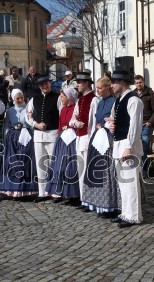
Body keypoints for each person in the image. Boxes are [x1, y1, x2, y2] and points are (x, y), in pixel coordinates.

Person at [107, 70, 144, 228]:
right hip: (118, 144)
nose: (111, 85)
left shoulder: (134, 100)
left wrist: (128, 147)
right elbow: (112, 120)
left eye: (113, 82)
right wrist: (111, 125)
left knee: (131, 182)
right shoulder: (118, 101)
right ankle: (125, 213)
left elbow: (135, 126)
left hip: (129, 147)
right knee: (123, 183)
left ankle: (134, 216)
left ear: (122, 83)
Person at [81, 76, 120, 217]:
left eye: (100, 88)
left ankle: (110, 204)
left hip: (107, 140)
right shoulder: (99, 102)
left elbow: (113, 120)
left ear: (108, 87)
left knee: (106, 171)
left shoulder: (114, 102)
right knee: (95, 171)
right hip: (97, 138)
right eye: (96, 88)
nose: (97, 90)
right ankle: (97, 202)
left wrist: (105, 125)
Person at [0, 89, 38, 199]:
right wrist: (9, 134)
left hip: (26, 138)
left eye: (21, 98)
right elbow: (7, 126)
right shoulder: (10, 111)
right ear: (13, 99)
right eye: (17, 98)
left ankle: (27, 190)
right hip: (13, 139)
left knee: (25, 162)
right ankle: (14, 190)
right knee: (14, 163)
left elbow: (31, 123)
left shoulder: (28, 109)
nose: (20, 100)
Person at [25, 75, 60, 203]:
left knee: (54, 163)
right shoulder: (34, 99)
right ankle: (42, 192)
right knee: (41, 164)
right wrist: (36, 124)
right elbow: (28, 116)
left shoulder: (57, 98)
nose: (44, 86)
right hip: (39, 135)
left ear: (50, 84)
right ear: (39, 86)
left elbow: (62, 115)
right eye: (42, 85)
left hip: (52, 133)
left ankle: (56, 192)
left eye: (46, 84)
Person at [45, 88, 80, 204]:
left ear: (69, 97)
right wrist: (59, 137)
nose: (61, 99)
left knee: (70, 166)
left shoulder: (75, 108)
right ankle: (61, 192)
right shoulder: (63, 109)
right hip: (62, 140)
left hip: (72, 140)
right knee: (59, 166)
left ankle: (74, 195)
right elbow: (61, 125)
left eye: (63, 96)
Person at [69, 72, 95, 203]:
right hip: (79, 138)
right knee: (80, 169)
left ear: (86, 83)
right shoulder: (79, 100)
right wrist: (75, 123)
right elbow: (72, 119)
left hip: (88, 137)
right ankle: (83, 197)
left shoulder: (94, 99)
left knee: (87, 169)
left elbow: (94, 121)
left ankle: (89, 198)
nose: (77, 85)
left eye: (79, 82)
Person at [134, 75, 154, 175]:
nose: (139, 84)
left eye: (140, 82)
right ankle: (137, 169)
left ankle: (144, 170)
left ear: (143, 82)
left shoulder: (150, 94)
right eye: (137, 83)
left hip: (146, 125)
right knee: (136, 147)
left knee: (144, 147)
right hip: (136, 125)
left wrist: (150, 122)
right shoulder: (133, 94)